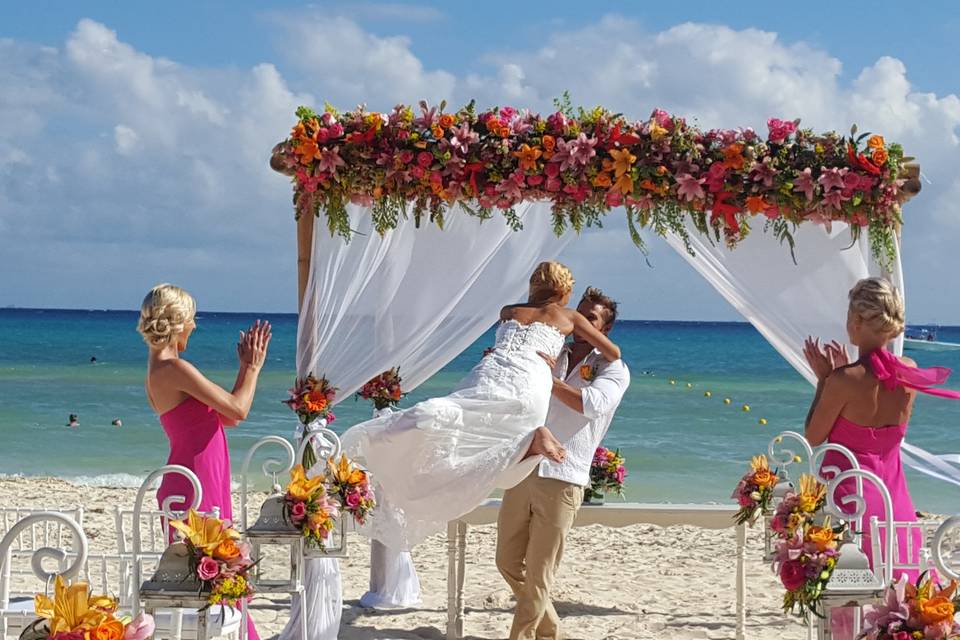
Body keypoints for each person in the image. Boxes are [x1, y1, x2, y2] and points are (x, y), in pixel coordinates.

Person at [340, 261, 621, 550]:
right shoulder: (570, 316)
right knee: (499, 456)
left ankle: (385, 441)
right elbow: (614, 352)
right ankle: (533, 440)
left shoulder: (509, 311)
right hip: (531, 383)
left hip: (491, 374)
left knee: (450, 419)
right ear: (563, 290)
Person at [804, 277, 960, 583]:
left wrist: (825, 380)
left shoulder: (842, 379)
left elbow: (813, 436)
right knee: (899, 590)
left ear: (858, 322)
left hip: (850, 498)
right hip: (895, 502)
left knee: (850, 595)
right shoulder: (910, 371)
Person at [138, 283, 270, 640]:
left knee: (214, 577)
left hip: (194, 477)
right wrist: (254, 367)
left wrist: (244, 368)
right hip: (195, 482)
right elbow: (239, 409)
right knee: (212, 579)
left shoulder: (161, 369)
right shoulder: (175, 368)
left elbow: (227, 417)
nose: (195, 326)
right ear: (178, 322)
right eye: (192, 319)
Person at [497, 286, 629, 640]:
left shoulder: (614, 368)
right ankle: (552, 631)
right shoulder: (553, 351)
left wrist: (547, 380)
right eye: (580, 312)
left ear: (604, 330)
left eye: (592, 317)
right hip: (525, 465)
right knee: (507, 562)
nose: (582, 320)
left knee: (540, 574)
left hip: (563, 476)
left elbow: (590, 404)